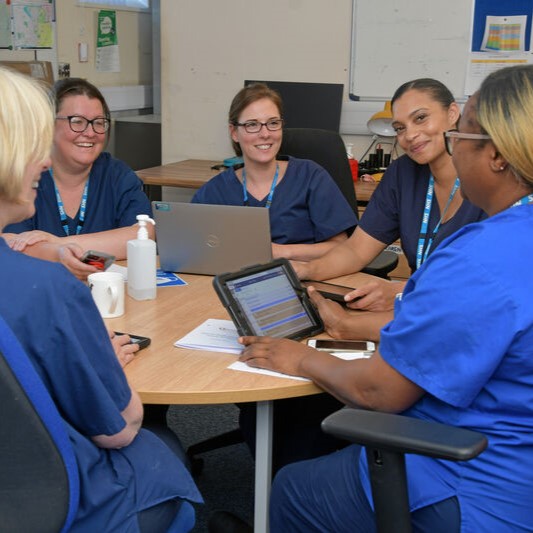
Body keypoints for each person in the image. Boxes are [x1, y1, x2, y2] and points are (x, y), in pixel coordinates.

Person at [238, 64, 533, 531]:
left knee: (292, 488)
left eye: (463, 136)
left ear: (497, 155)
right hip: (517, 457)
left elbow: (379, 391)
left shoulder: (479, 257)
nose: (453, 144)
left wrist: (299, 359)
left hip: (473, 481)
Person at [0, 66, 202, 532]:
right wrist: (103, 361)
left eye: (98, 123)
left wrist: (50, 245)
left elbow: (146, 231)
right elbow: (119, 426)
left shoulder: (115, 176)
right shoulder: (48, 291)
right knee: (161, 449)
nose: (45, 161)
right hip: (52, 494)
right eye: (35, 147)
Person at [294, 78, 486, 322]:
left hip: (470, 314)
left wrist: (401, 292)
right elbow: (356, 250)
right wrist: (307, 269)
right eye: (400, 128)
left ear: (452, 113)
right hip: (418, 312)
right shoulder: (402, 172)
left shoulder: (490, 178)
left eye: (420, 118)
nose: (410, 135)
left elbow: (495, 282)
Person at [2, 77, 153, 280]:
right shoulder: (28, 176)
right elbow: (12, 244)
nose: (90, 132)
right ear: (49, 124)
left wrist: (58, 244)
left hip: (103, 286)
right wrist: (69, 251)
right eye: (77, 122)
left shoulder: (115, 174)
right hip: (40, 287)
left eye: (99, 123)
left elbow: (143, 235)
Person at [191, 83, 357, 261]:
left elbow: (341, 246)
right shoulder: (216, 189)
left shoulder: (310, 176)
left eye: (273, 123)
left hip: (302, 279)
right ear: (234, 132)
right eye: (252, 124)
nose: (265, 134)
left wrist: (283, 252)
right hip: (233, 280)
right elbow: (186, 240)